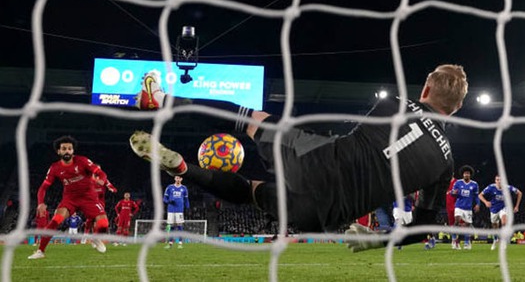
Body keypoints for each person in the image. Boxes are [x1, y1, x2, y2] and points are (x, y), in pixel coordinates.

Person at [130, 64, 468, 251]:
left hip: (316, 160)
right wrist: (378, 240)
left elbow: (367, 143)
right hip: (326, 216)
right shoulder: (446, 162)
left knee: (248, 118)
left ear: (424, 90)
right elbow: (424, 229)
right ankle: (182, 168)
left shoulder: (393, 103)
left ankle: (159, 98)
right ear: (458, 109)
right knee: (251, 192)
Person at [28, 136, 111, 259]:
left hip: (89, 198)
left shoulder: (82, 161)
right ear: (59, 151)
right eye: (64, 148)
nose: (67, 151)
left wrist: (102, 180)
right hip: (70, 199)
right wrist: (40, 203)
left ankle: (95, 238)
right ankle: (40, 251)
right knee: (55, 220)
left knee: (104, 224)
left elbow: (100, 173)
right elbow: (43, 187)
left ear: (73, 151)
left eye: (69, 149)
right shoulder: (55, 168)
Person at [479, 174, 522, 250]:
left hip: (504, 208)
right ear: (495, 181)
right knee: (495, 226)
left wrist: (516, 206)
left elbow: (519, 193)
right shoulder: (491, 187)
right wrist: (485, 202)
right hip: (493, 209)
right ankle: (495, 240)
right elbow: (480, 195)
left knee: (504, 223)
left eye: (501, 180)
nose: (499, 181)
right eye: (497, 180)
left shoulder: (508, 187)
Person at [81, 172, 117, 244]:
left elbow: (112, 187)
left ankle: (96, 238)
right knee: (90, 219)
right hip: (91, 202)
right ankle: (85, 235)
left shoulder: (104, 180)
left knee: (100, 221)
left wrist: (112, 189)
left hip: (100, 203)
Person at [450, 165, 480, 250]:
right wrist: (454, 193)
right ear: (462, 174)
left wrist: (478, 204)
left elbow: (476, 196)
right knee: (457, 220)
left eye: (468, 173)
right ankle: (454, 238)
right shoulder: (458, 183)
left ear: (470, 175)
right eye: (465, 173)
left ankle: (467, 242)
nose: (466, 175)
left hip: (468, 208)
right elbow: (452, 193)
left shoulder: (474, 184)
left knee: (467, 225)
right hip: (459, 206)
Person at [163, 175, 190, 249]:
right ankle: (170, 243)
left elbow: (186, 199)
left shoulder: (184, 188)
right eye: (177, 178)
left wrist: (188, 207)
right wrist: (169, 201)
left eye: (179, 178)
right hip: (171, 210)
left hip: (179, 210)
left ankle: (180, 243)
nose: (178, 179)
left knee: (179, 226)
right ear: (175, 178)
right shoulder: (169, 187)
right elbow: (164, 198)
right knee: (171, 226)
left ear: (181, 179)